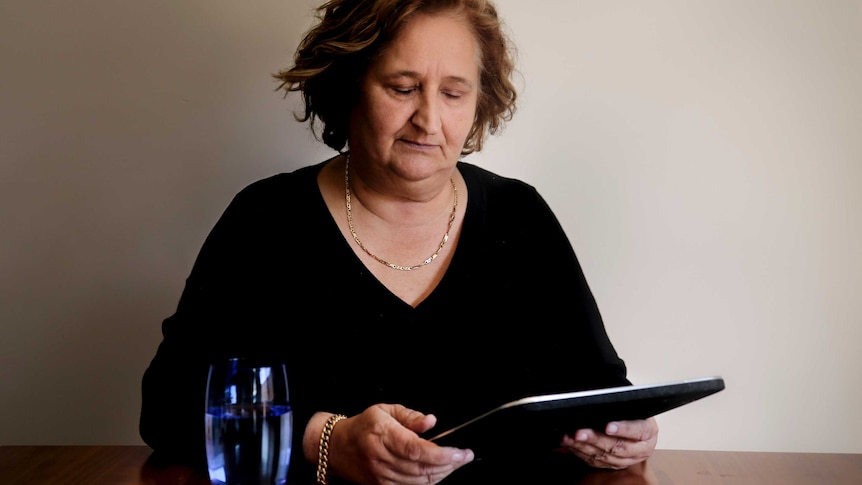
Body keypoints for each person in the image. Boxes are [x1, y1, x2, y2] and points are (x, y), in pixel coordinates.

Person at [139, 0, 659, 483]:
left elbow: (601, 387)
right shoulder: (267, 218)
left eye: (454, 93)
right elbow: (167, 408)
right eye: (403, 88)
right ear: (349, 89)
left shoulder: (521, 216)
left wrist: (624, 430)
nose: (429, 120)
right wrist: (327, 438)